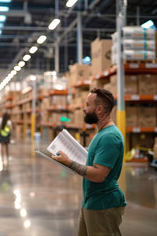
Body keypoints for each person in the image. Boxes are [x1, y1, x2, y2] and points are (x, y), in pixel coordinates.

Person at [52, 88, 126, 236]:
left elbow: (99, 175)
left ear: (99, 109)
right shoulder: (102, 133)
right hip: (91, 202)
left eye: (87, 105)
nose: (84, 109)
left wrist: (69, 162)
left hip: (103, 206)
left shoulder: (109, 137)